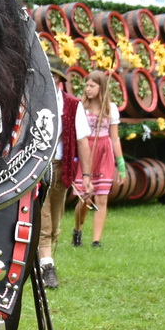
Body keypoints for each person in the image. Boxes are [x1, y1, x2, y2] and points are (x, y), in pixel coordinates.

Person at [36, 60, 79, 289]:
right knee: (43, 220)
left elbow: (82, 141)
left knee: (56, 220)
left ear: (61, 80)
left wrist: (88, 175)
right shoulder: (36, 101)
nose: (51, 80)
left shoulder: (71, 105)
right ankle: (47, 266)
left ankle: (46, 262)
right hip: (41, 165)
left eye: (55, 76)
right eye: (48, 75)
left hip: (61, 166)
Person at [71, 70, 123, 248]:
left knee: (101, 198)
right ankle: (77, 230)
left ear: (101, 88)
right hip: (86, 151)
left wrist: (121, 164)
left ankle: (96, 240)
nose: (88, 89)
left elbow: (114, 138)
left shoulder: (110, 109)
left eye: (92, 86)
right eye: (87, 85)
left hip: (104, 153)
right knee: (85, 198)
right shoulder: (81, 108)